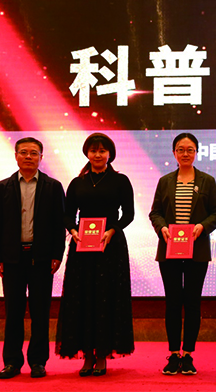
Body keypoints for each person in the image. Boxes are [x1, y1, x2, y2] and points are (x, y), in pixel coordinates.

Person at [55, 133, 135, 376]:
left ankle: (101, 356)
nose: (97, 155)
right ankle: (87, 356)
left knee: (106, 298)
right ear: (87, 153)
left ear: (110, 154)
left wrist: (112, 229)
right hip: (82, 248)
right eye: (93, 151)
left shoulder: (120, 180)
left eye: (102, 151)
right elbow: (67, 214)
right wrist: (73, 230)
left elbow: (128, 214)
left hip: (110, 246)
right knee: (82, 298)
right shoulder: (77, 182)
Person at [0, 137, 66, 379]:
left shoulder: (53, 187)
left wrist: (57, 254)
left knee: (40, 312)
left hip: (41, 258)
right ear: (16, 156)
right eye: (23, 152)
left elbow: (59, 224)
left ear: (41, 157)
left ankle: (38, 361)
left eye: (33, 153)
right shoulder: (2, 187)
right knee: (14, 312)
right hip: (12, 259)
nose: (28, 156)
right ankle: (12, 362)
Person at [149, 133, 216, 375]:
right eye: (180, 149)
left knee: (192, 302)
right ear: (174, 153)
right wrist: (162, 227)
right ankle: (173, 354)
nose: (185, 153)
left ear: (196, 152)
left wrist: (202, 226)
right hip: (169, 250)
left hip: (197, 250)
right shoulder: (165, 181)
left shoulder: (207, 181)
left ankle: (189, 354)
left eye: (190, 149)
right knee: (173, 302)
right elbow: (155, 212)